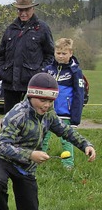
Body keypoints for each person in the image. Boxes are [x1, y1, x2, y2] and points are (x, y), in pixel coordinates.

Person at [0, 73, 95, 210]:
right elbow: (2, 146)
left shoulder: (49, 115)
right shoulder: (16, 115)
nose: (46, 105)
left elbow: (65, 131)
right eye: (42, 100)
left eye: (50, 101)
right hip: (5, 161)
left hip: (27, 169)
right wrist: (31, 154)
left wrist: (85, 145)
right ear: (31, 96)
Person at [0, 0, 54, 114]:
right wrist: (2, 71)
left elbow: (50, 55)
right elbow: (1, 54)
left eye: (26, 10)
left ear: (33, 9)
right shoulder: (10, 29)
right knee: (10, 119)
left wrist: (39, 73)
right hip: (10, 84)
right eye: (20, 10)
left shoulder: (42, 28)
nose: (23, 13)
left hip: (32, 85)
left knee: (31, 120)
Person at [41, 38, 86, 170]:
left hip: (65, 113)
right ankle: (39, 159)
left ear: (70, 53)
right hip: (47, 111)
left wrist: (75, 118)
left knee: (66, 139)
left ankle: (68, 164)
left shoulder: (75, 72)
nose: (60, 56)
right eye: (58, 53)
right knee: (42, 136)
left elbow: (79, 95)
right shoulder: (48, 70)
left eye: (64, 53)